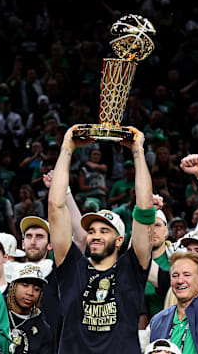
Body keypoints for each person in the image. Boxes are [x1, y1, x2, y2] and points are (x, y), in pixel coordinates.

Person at [48, 125, 155, 353]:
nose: (95, 235)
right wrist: (67, 147)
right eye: (93, 230)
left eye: (105, 231)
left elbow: (145, 210)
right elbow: (56, 206)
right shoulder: (72, 267)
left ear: (119, 240)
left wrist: (137, 151)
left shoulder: (131, 268)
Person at [7, 262, 52, 354]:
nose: (30, 293)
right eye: (25, 285)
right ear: (13, 286)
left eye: (36, 289)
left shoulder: (43, 329)